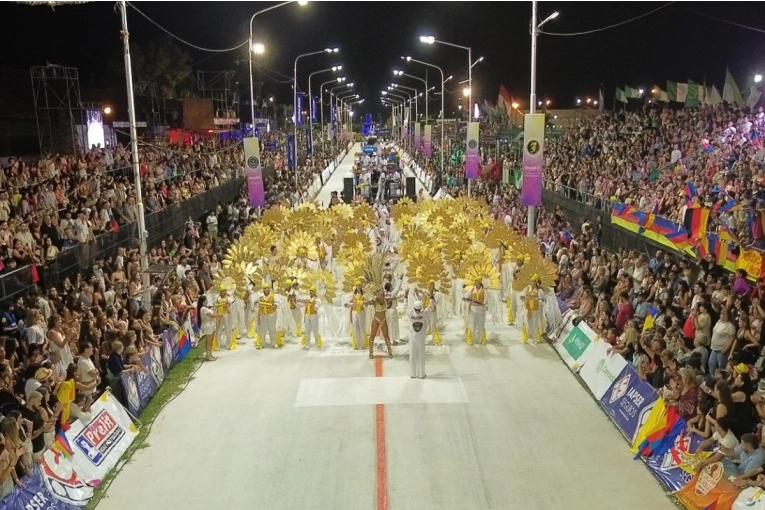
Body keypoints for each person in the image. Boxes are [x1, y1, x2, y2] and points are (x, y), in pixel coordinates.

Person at [367, 289, 393, 359]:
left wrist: (405, 295)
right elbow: (367, 302)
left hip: (383, 320)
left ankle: (390, 352)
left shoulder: (386, 300)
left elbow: (395, 297)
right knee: (372, 336)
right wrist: (360, 302)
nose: (383, 296)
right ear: (378, 296)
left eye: (383, 294)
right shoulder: (374, 301)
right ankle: (370, 352)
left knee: (386, 336)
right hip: (376, 320)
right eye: (382, 295)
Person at [520, 274, 545, 344]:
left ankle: (535, 338)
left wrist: (538, 300)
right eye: (532, 281)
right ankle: (525, 338)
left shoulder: (539, 291)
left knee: (535, 324)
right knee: (526, 322)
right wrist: (524, 298)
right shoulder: (526, 289)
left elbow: (543, 299)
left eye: (534, 281)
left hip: (536, 309)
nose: (533, 283)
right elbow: (521, 296)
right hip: (527, 308)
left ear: (537, 282)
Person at [257, 283, 280, 349]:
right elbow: (255, 302)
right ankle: (262, 343)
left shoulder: (274, 296)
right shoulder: (260, 296)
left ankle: (274, 343)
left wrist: (276, 305)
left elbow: (279, 302)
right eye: (265, 288)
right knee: (262, 329)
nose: (267, 290)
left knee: (272, 329)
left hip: (271, 314)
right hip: (263, 315)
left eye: (268, 288)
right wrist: (257, 304)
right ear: (263, 290)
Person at [197, 295, 219, 361]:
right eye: (206, 300)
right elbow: (211, 316)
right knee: (208, 341)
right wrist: (219, 315)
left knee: (211, 340)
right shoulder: (203, 308)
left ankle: (210, 354)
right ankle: (208, 355)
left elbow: (213, 314)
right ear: (203, 301)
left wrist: (215, 309)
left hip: (211, 325)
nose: (207, 301)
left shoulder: (206, 308)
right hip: (207, 326)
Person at [465, 279, 487, 345]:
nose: (476, 284)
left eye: (477, 283)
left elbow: (486, 299)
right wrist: (469, 300)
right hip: (473, 308)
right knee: (472, 324)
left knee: (481, 324)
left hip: (481, 309)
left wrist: (483, 303)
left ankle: (481, 339)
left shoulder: (484, 290)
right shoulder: (471, 290)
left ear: (480, 283)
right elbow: (466, 297)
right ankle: (471, 339)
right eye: (475, 283)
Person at [409, 300, 427, 379]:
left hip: (413, 337)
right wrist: (431, 298)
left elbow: (405, 307)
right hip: (421, 337)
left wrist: (405, 297)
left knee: (412, 355)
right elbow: (431, 306)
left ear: (414, 308)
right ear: (421, 308)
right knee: (421, 355)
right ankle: (421, 374)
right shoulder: (424, 314)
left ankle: (412, 373)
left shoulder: (410, 314)